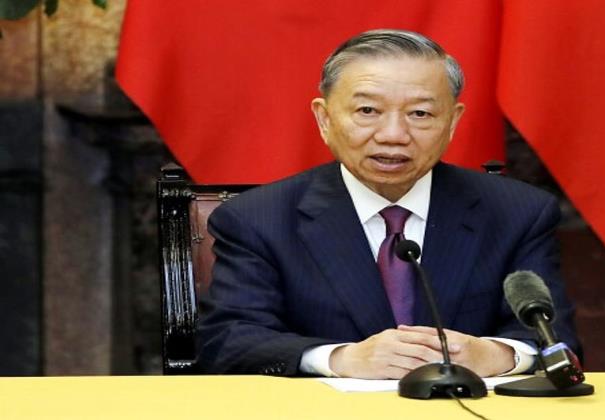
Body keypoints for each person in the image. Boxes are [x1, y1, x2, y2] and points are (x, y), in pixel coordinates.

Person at [198, 29, 580, 378]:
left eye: (420, 114)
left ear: (452, 122)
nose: (394, 135)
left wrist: (498, 355)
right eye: (368, 111)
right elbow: (229, 341)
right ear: (324, 118)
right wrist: (341, 359)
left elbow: (556, 336)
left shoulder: (517, 213)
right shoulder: (258, 219)